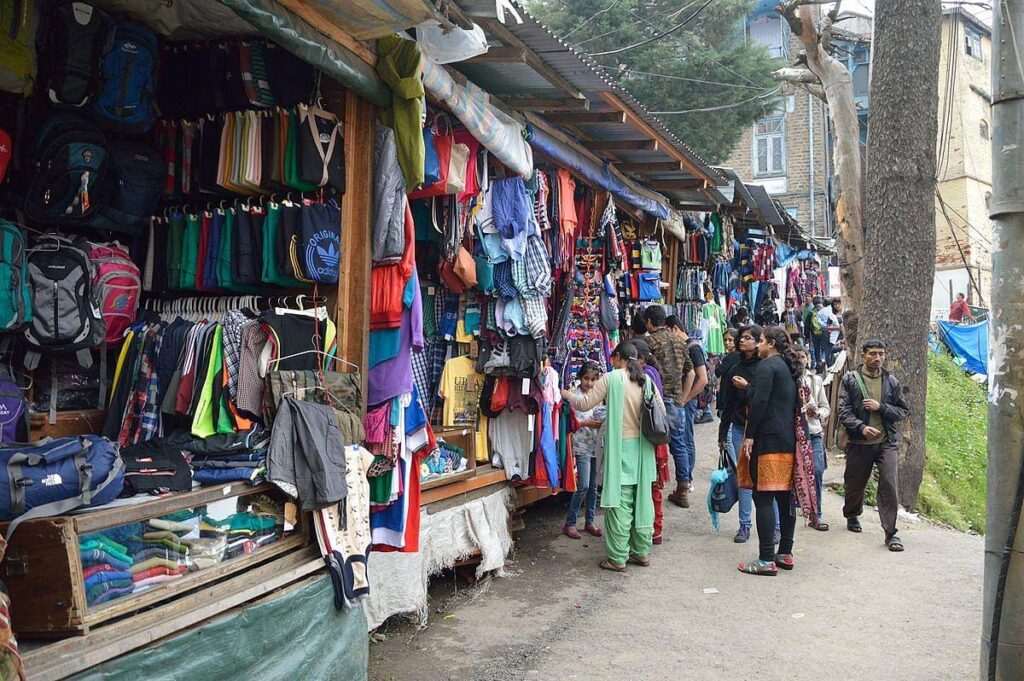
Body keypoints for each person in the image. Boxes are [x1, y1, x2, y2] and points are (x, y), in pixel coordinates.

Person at [561, 342, 664, 571]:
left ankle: (618, 558)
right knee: (642, 499)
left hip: (621, 448)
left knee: (621, 503)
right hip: (644, 449)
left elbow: (585, 402)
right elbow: (661, 413)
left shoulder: (612, 378)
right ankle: (641, 552)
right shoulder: (646, 380)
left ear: (618, 357)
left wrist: (565, 393)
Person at [737, 327, 815, 575]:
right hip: (788, 440)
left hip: (767, 441)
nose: (757, 346)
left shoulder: (767, 367)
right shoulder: (790, 369)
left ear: (770, 344)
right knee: (784, 497)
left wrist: (749, 436)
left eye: (760, 341)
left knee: (764, 498)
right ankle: (785, 553)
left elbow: (759, 402)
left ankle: (765, 559)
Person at [837, 339, 910, 552]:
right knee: (855, 484)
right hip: (859, 443)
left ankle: (890, 532)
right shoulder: (850, 380)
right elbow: (843, 411)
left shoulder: (891, 382)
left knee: (889, 483)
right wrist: (861, 427)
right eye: (873, 354)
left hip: (886, 442)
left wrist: (882, 407)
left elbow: (902, 411)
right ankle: (852, 514)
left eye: (881, 354)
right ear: (863, 356)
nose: (877, 358)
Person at [644, 306, 695, 508]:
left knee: (651, 443)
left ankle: (653, 485)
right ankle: (683, 488)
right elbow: (690, 373)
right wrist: (683, 398)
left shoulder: (650, 342)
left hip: (657, 400)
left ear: (649, 321)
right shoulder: (679, 341)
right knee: (678, 445)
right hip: (675, 401)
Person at [716, 324, 762, 543]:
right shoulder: (734, 367)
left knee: (765, 479)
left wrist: (748, 387)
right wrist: (722, 435)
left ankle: (775, 527)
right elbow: (728, 404)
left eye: (748, 338)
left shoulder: (766, 367)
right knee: (744, 478)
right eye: (741, 338)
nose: (743, 341)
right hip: (738, 428)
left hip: (762, 430)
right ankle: (744, 525)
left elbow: (767, 400)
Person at [563, 361, 606, 540]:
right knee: (583, 486)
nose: (589, 383)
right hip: (581, 445)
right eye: (586, 378)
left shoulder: (599, 397)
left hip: (596, 444)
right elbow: (570, 423)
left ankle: (590, 521)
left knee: (593, 487)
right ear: (580, 378)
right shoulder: (574, 396)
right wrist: (586, 423)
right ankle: (570, 523)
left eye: (593, 379)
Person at [633, 339, 670, 545]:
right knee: (654, 486)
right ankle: (656, 529)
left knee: (650, 486)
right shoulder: (652, 373)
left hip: (650, 436)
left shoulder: (644, 377)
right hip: (658, 436)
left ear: (639, 359)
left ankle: (653, 529)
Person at [666, 315, 708, 489]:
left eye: (668, 332)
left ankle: (687, 479)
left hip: (687, 400)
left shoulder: (693, 348)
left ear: (675, 328)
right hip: (683, 398)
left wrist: (685, 398)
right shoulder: (684, 347)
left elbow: (702, 379)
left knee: (686, 438)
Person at [795, 347, 831, 531]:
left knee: (816, 470)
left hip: (813, 432)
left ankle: (816, 514)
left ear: (808, 359)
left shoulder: (815, 381)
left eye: (803, 357)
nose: (800, 360)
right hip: (793, 434)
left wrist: (817, 413)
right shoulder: (788, 379)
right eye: (797, 357)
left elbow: (826, 407)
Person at [816, 298, 842, 369]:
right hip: (834, 338)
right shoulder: (831, 315)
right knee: (833, 354)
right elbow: (827, 327)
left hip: (843, 338)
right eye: (835, 304)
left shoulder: (845, 314)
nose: (837, 306)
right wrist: (837, 328)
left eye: (838, 304)